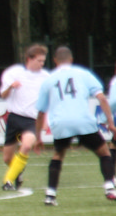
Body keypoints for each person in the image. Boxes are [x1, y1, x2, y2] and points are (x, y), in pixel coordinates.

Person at [33, 46, 116, 206]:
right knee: (104, 152)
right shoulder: (83, 74)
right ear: (71, 60)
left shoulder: (48, 80)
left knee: (58, 155)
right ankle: (109, 187)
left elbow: (41, 113)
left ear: (55, 61)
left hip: (61, 123)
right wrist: (110, 123)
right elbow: (102, 98)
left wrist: (38, 138)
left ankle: (50, 195)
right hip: (82, 120)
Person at [0, 44, 49, 191]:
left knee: (26, 146)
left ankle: (8, 181)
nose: (42, 64)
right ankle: (18, 172)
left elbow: (49, 101)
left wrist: (45, 120)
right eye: (39, 60)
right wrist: (11, 87)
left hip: (32, 120)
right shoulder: (15, 73)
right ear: (29, 59)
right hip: (14, 118)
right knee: (7, 158)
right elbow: (3, 95)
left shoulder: (46, 78)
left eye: (43, 61)